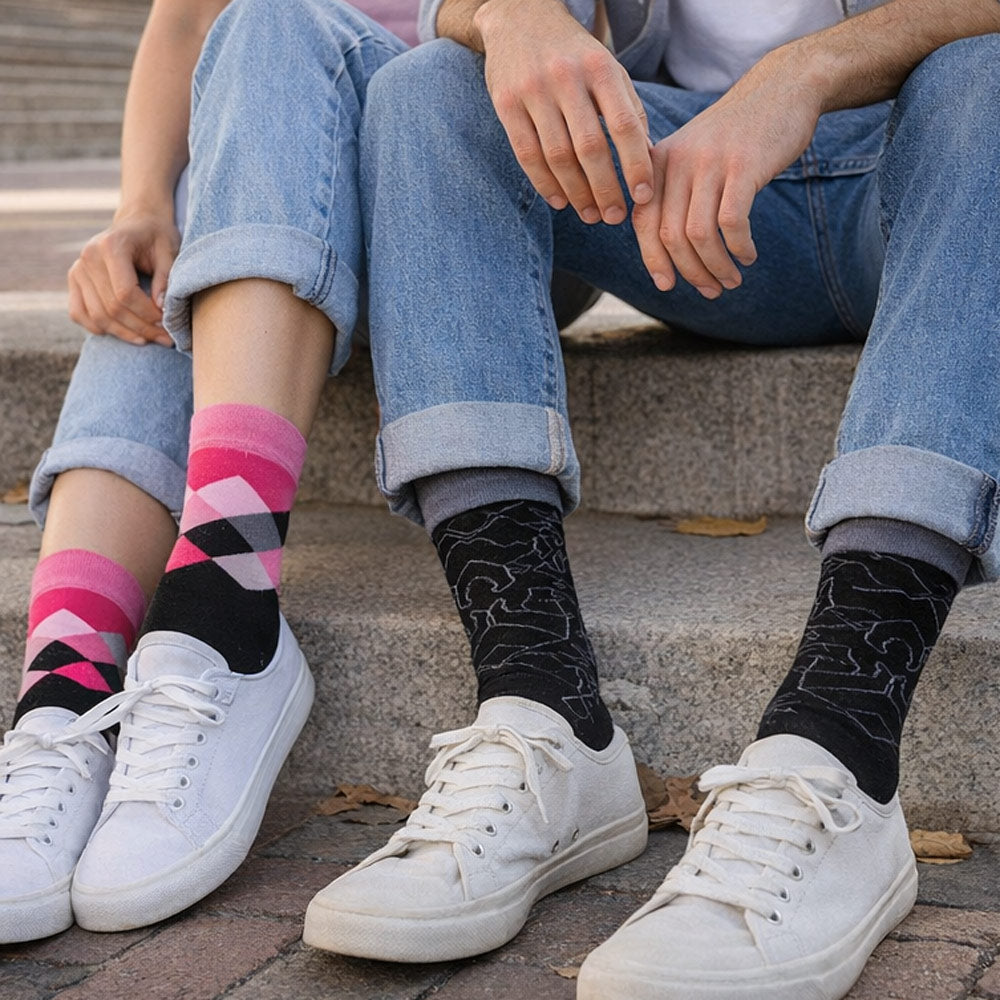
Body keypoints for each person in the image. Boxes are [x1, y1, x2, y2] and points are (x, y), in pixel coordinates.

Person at [292, 0, 997, 995]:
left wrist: (802, 71)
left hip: (936, 173)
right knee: (432, 86)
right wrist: (507, 13)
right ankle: (548, 716)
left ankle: (841, 744)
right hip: (690, 197)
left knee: (987, 76)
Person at [0, 0, 643, 946]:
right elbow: (181, 22)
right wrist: (140, 209)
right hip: (273, 201)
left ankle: (224, 611)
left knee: (275, 23)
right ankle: (65, 704)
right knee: (172, 232)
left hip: (470, 193)